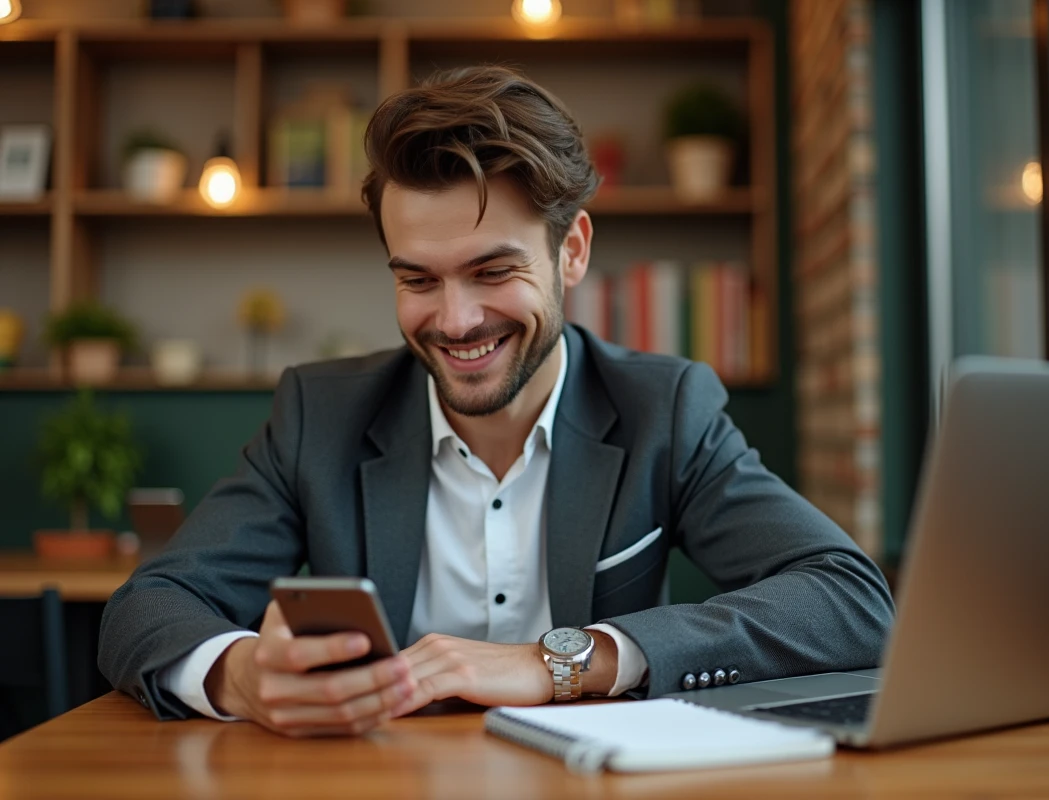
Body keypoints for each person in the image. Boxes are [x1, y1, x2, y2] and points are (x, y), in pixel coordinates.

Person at [98, 66, 894, 738]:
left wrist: (562, 660)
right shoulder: (320, 415)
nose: (454, 321)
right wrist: (240, 677)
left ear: (571, 250)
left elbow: (850, 600)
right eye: (417, 279)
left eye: (491, 272)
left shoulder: (665, 409)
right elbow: (149, 606)